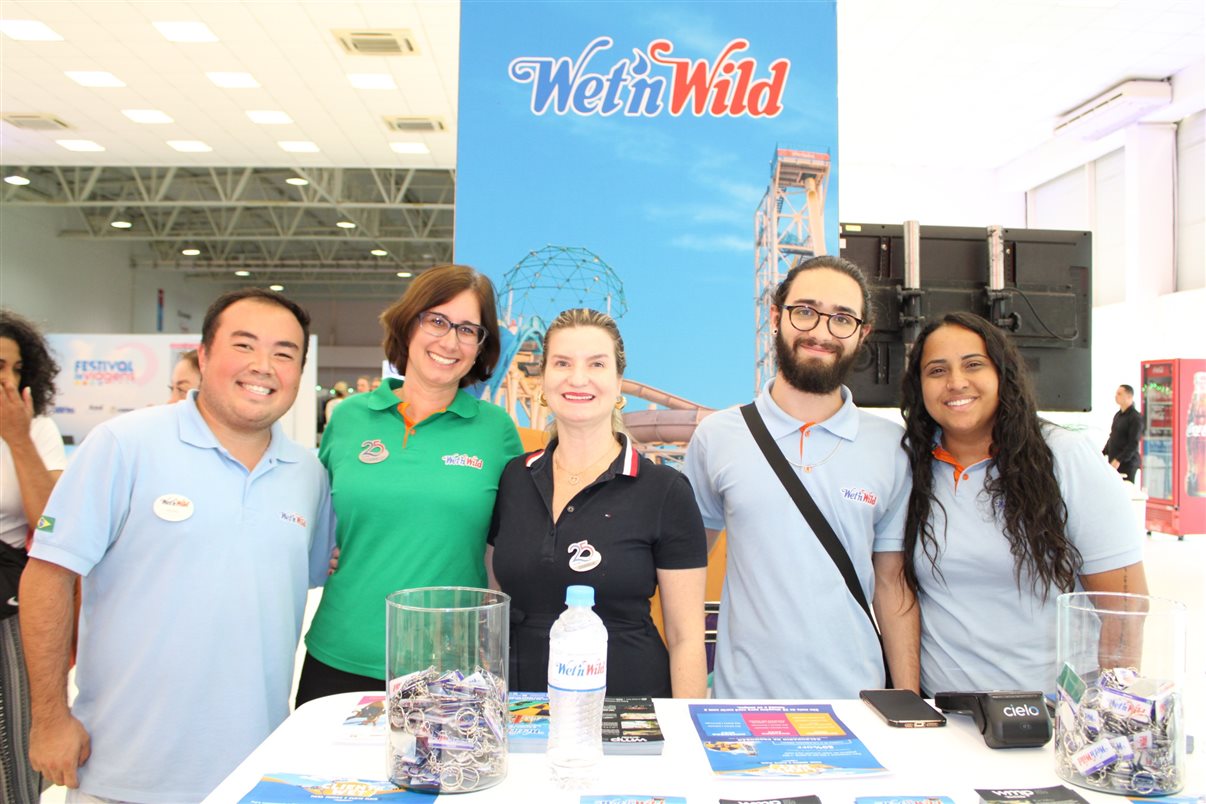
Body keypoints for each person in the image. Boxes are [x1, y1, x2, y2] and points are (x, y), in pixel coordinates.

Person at [21, 288, 336, 802]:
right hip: (126, 771)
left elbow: (304, 576)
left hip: (254, 772)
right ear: (205, 354)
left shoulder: (307, 474)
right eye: (244, 345)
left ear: (299, 374)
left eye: (284, 354)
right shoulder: (124, 445)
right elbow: (47, 577)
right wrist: (50, 718)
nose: (263, 366)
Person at [684, 256, 917, 699]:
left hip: (859, 706)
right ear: (776, 317)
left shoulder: (891, 448)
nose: (822, 331)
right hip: (742, 706)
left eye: (843, 318)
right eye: (805, 311)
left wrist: (907, 704)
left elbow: (894, 586)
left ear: (862, 334)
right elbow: (685, 576)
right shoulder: (718, 437)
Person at [296, 264, 523, 704]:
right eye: (436, 320)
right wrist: (317, 547)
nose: (449, 340)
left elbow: (510, 545)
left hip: (451, 667)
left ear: (482, 347)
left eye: (468, 329)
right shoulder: (348, 418)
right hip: (341, 651)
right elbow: (309, 506)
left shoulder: (496, 431)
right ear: (408, 323)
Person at [900, 312, 1147, 694]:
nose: (956, 382)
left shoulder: (1065, 456)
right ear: (919, 386)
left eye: (973, 365)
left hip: (1050, 723)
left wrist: (1109, 715)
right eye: (936, 371)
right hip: (944, 722)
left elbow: (1125, 607)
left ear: (1003, 373)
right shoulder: (910, 466)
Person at [488, 308, 708, 697]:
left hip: (627, 709)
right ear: (543, 378)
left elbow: (686, 636)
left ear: (618, 381)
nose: (577, 378)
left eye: (596, 364)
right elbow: (494, 604)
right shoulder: (513, 479)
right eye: (562, 363)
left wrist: (684, 729)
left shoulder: (665, 491)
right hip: (520, 708)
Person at [0, 310, 67, 803]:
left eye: (15, 368)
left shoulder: (36, 429)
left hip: (8, 599)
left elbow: (51, 524)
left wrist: (17, 439)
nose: (7, 378)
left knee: (12, 739)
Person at [1103, 383, 1141, 483]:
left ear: (1129, 397)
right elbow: (1113, 436)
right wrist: (1103, 452)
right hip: (1114, 461)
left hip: (1126, 463)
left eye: (1119, 394)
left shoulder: (1135, 418)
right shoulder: (1118, 415)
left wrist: (1119, 459)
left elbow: (1133, 443)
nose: (1116, 396)